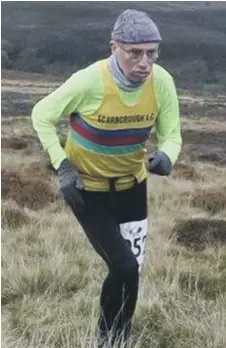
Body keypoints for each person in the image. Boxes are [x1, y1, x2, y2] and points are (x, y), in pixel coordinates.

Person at [31, 8, 182, 347]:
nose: (144, 62)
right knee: (125, 266)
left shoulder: (162, 83)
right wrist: (62, 166)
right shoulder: (89, 81)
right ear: (114, 47)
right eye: (134, 52)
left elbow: (171, 134)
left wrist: (166, 157)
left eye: (152, 52)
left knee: (130, 271)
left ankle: (118, 338)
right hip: (88, 191)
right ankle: (107, 339)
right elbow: (41, 114)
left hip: (131, 189)